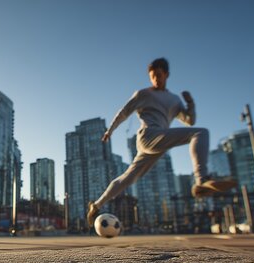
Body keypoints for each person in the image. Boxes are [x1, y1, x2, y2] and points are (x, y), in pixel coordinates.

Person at [87, 57, 236, 228]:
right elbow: (124, 113)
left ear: (167, 75)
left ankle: (96, 205)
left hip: (157, 143)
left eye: (159, 75)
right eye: (152, 76)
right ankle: (201, 179)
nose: (156, 79)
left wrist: (190, 103)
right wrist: (110, 130)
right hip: (148, 136)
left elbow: (189, 121)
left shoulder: (175, 100)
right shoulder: (143, 94)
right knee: (200, 133)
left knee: (127, 178)